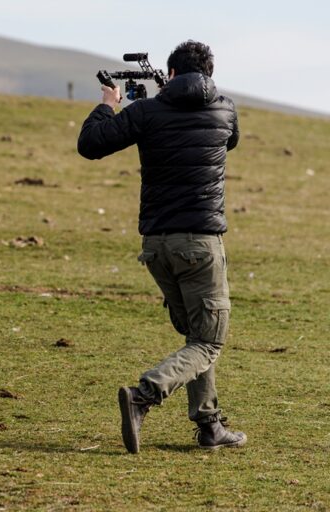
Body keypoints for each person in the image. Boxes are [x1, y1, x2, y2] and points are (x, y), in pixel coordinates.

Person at [77, 41, 246, 452]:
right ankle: (143, 395)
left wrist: (109, 104)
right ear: (209, 73)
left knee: (195, 335)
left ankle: (209, 426)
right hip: (202, 244)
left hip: (156, 246)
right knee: (209, 341)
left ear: (169, 74)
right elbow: (229, 141)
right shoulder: (225, 110)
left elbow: (91, 144)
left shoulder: (146, 113)